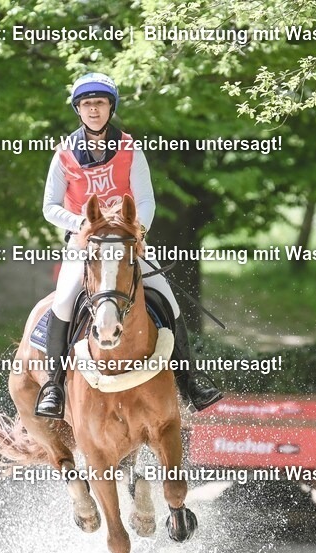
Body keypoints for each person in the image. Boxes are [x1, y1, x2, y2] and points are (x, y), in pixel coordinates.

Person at [35, 72, 222, 419]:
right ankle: (54, 386)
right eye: (87, 104)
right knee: (62, 302)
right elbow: (50, 207)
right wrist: (82, 224)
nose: (94, 110)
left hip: (125, 245)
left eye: (100, 103)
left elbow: (146, 200)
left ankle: (191, 381)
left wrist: (137, 230)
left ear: (110, 108)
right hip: (85, 246)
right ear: (79, 110)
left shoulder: (129, 149)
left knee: (166, 297)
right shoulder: (64, 154)